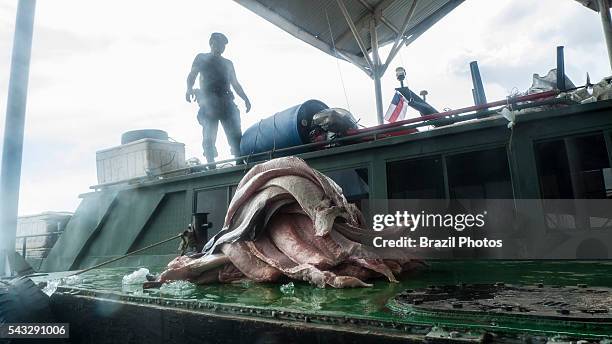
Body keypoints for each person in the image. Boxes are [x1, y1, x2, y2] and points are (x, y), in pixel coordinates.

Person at [185, 32, 251, 167]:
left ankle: (239, 161)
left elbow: (235, 83)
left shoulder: (228, 63)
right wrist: (189, 88)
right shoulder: (201, 58)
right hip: (209, 101)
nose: (222, 47)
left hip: (226, 101)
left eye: (224, 45)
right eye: (219, 43)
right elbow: (192, 74)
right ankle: (211, 164)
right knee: (209, 136)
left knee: (235, 134)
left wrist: (245, 98)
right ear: (211, 42)